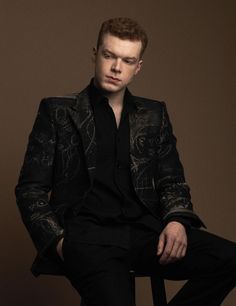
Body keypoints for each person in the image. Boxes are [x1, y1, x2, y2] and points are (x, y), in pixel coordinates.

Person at [15, 17, 235, 306]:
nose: (117, 68)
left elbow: (172, 179)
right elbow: (29, 190)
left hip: (146, 235)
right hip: (88, 240)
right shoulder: (57, 111)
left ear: (138, 67)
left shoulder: (153, 114)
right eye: (109, 56)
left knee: (230, 259)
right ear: (95, 54)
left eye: (128, 60)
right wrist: (58, 243)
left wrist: (177, 221)